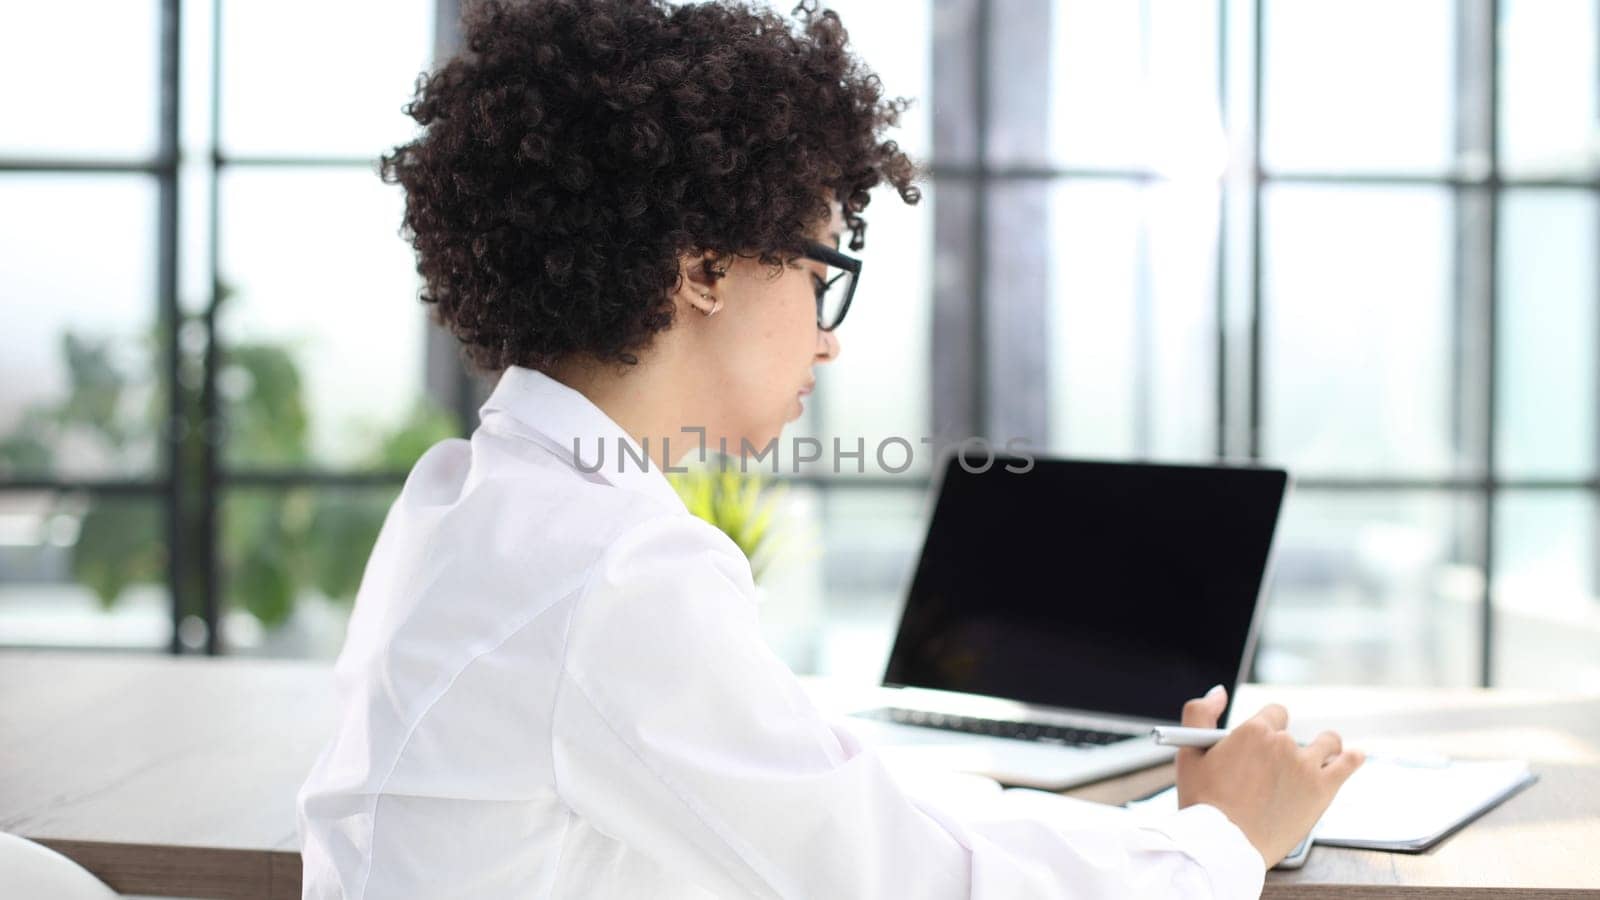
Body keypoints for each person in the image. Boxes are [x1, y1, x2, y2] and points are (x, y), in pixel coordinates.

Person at [295, 1, 1365, 897]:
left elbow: (839, 805)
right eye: (818, 272)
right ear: (705, 269)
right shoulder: (611, 569)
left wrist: (1144, 834)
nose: (829, 332)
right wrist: (1221, 841)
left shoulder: (476, 499)